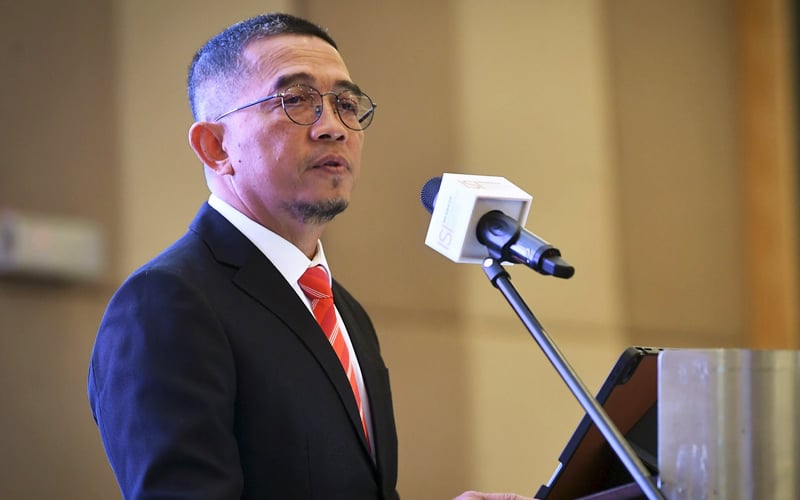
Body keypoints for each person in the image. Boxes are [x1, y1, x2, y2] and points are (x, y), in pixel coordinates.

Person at [88, 12, 532, 500]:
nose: (333, 127)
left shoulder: (346, 313)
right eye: (296, 100)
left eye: (346, 104)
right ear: (216, 147)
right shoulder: (166, 303)